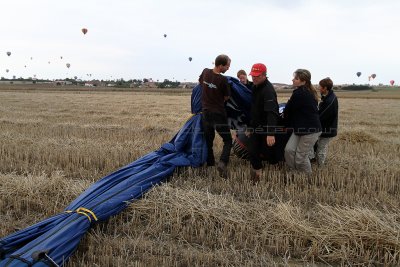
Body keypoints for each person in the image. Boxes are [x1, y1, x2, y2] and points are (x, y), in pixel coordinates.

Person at [199, 54, 232, 178]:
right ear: (220, 65)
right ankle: (222, 162)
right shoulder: (223, 80)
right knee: (228, 140)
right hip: (218, 113)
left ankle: (210, 164)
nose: (228, 68)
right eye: (227, 66)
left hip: (206, 113)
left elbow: (201, 83)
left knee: (208, 140)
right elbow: (227, 97)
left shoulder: (205, 72)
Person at [246, 63, 280, 183]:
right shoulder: (255, 87)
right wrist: (250, 126)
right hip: (256, 126)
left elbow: (272, 113)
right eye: (252, 75)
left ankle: (275, 174)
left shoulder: (268, 90)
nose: (253, 78)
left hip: (266, 127)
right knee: (252, 150)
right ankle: (258, 175)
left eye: (256, 76)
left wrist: (270, 133)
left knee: (268, 152)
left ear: (264, 75)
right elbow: (254, 110)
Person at [283, 69, 321, 174]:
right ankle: (294, 172)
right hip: (300, 128)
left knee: (301, 157)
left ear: (303, 81)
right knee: (289, 150)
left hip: (310, 130)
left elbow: (288, 110)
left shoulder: (301, 94)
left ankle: (307, 178)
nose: (293, 80)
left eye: (296, 78)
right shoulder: (303, 92)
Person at [311, 77, 338, 165]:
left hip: (327, 129)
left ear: (325, 88)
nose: (319, 88)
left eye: (320, 86)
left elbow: (321, 116)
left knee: (321, 149)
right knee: (318, 146)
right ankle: (316, 162)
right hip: (325, 128)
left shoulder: (329, 101)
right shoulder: (328, 97)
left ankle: (320, 167)